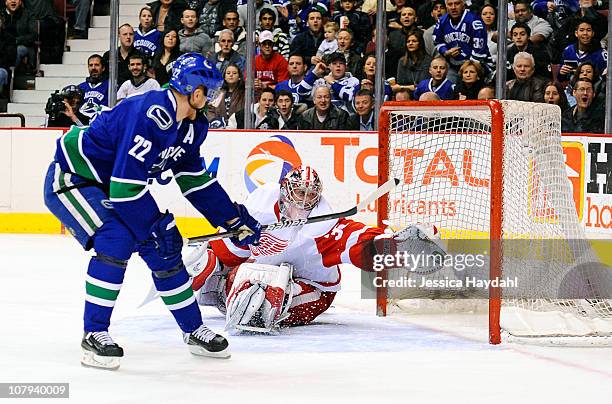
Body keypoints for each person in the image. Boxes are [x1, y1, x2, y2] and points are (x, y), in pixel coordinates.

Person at [43, 53, 262, 370]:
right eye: (210, 91)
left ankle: (193, 330)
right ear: (195, 91)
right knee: (116, 239)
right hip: (74, 180)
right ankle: (94, 334)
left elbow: (194, 180)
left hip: (111, 184)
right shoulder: (150, 114)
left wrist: (232, 218)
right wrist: (155, 224)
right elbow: (125, 188)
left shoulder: (193, 126)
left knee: (163, 251)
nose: (213, 97)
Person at [185, 165, 444, 333]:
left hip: (313, 291)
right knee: (227, 271)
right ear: (285, 191)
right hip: (259, 277)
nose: (305, 200)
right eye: (299, 192)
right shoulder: (259, 212)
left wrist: (398, 249)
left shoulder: (324, 225)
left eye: (311, 195)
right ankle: (222, 296)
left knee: (272, 291)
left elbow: (359, 246)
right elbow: (224, 252)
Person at [432, 0, 491, 82]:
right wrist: (446, 51)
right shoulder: (442, 21)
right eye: (450, 4)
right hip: (453, 65)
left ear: (463, 5)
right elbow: (437, 41)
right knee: (449, 86)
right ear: (446, 7)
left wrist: (468, 68)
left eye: (456, 3)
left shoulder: (474, 21)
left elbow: (480, 50)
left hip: (477, 64)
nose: (453, 7)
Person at [394, 30, 433, 97]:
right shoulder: (402, 61)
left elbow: (423, 85)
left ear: (420, 43)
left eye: (414, 41)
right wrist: (408, 87)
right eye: (408, 41)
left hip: (423, 93)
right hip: (406, 94)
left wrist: (404, 87)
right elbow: (400, 83)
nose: (410, 43)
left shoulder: (428, 60)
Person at [207, 63, 245, 128]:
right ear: (224, 77)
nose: (231, 75)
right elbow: (210, 110)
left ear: (239, 77)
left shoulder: (244, 93)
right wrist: (215, 121)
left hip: (238, 129)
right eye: (228, 73)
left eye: (234, 73)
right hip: (219, 129)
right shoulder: (218, 93)